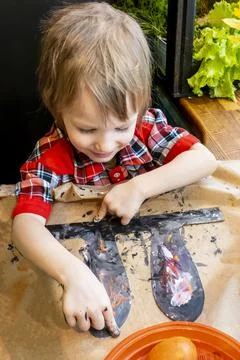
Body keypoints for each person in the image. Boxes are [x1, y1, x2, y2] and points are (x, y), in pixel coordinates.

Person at [11, 2, 217, 337]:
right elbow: (24, 226)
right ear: (57, 108)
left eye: (121, 126)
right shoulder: (52, 154)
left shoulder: (146, 129)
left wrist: (139, 187)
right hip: (96, 269)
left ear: (140, 104)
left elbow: (203, 158)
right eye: (87, 130)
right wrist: (72, 273)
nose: (105, 145)